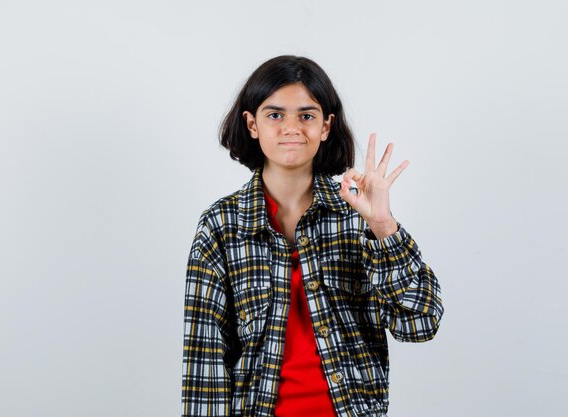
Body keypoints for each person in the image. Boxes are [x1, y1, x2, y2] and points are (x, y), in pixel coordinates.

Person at [180, 55, 444, 417]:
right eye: (275, 114)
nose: (291, 127)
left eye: (306, 115)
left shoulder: (357, 216)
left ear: (325, 126)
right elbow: (204, 357)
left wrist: (383, 226)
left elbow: (420, 323)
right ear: (251, 124)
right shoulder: (221, 225)